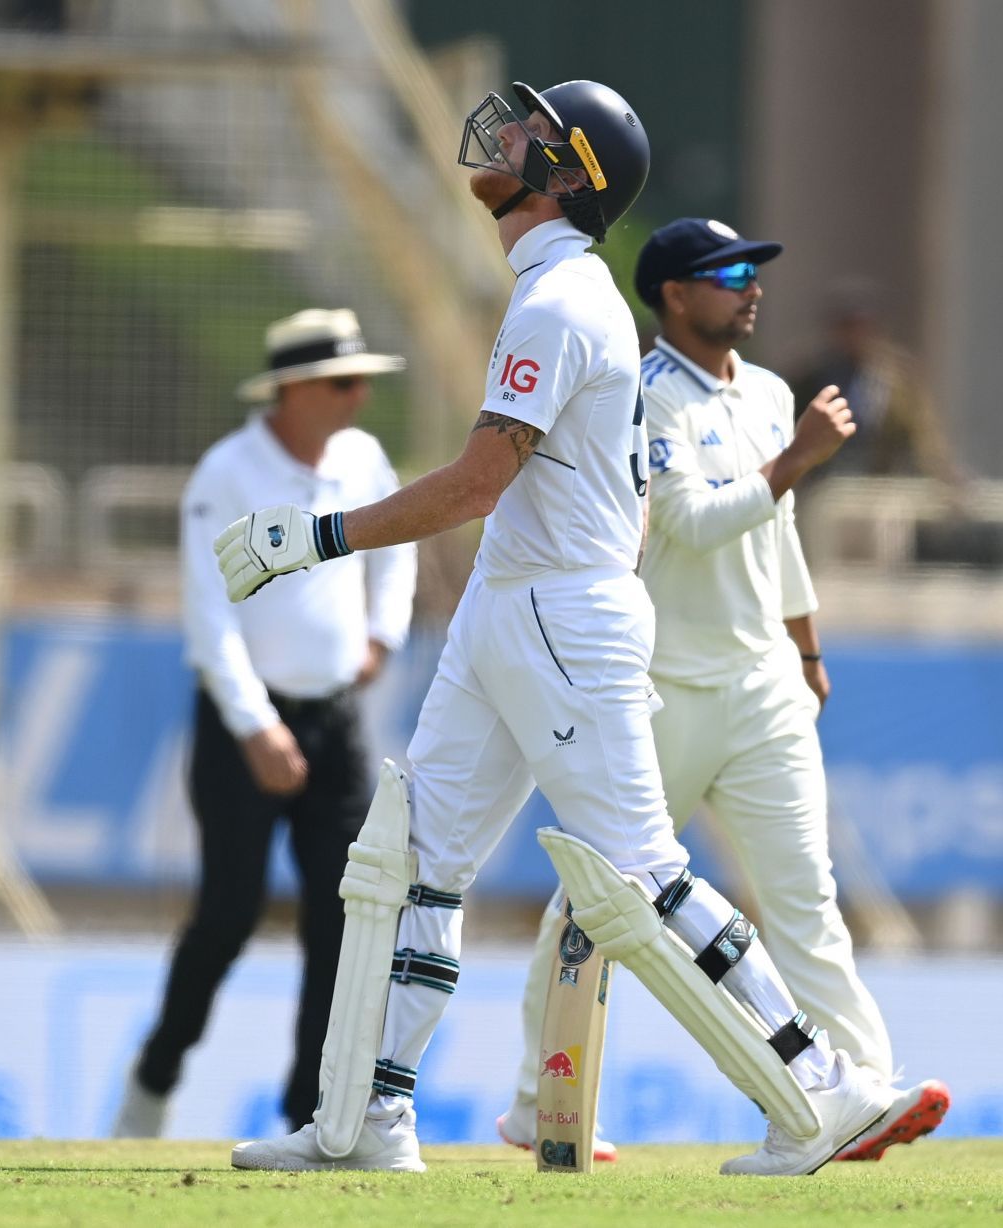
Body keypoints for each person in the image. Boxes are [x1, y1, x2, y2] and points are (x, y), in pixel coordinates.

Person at [212, 78, 947, 1177]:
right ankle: (367, 1121)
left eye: (532, 134)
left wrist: (311, 539)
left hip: (556, 610)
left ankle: (818, 1090)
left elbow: (475, 483)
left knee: (640, 877)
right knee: (409, 861)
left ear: (568, 177)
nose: (502, 136)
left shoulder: (562, 302)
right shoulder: (557, 295)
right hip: (519, 606)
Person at [492, 217, 945, 1163]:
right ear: (674, 295)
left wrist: (808, 647)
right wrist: (798, 462)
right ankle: (543, 1103)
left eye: (755, 272)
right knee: (598, 903)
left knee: (804, 896)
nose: (753, 287)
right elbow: (692, 525)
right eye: (730, 273)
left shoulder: (773, 393)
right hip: (664, 692)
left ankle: (857, 1095)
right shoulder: (646, 396)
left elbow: (775, 538)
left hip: (762, 682)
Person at [112, 308, 417, 1138]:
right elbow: (209, 616)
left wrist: (382, 635)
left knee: (341, 915)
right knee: (228, 913)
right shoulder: (227, 471)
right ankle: (157, 1073)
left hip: (336, 720)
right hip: (243, 724)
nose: (359, 397)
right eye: (344, 382)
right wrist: (255, 726)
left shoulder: (362, 458)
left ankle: (308, 1114)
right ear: (293, 390)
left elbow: (399, 549)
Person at [793, 277, 959, 484]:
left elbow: (923, 434)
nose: (856, 335)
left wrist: (945, 473)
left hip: (881, 487)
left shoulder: (899, 379)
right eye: (848, 326)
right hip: (827, 485)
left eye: (863, 326)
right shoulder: (812, 378)